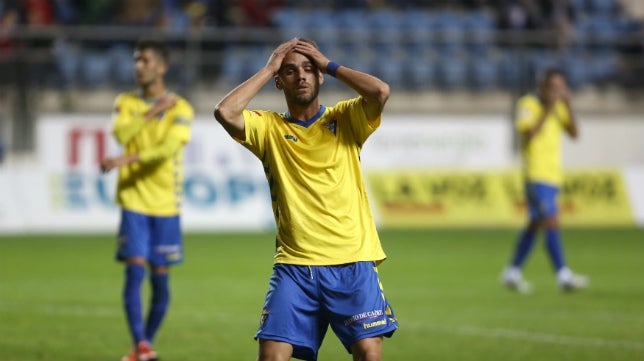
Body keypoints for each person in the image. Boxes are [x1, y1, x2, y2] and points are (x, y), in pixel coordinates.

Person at [213, 38, 398, 361]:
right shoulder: (268, 128)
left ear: (320, 76)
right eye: (290, 71)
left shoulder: (346, 119)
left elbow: (380, 91)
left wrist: (328, 63)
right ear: (279, 81)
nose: (301, 76)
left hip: (352, 262)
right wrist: (270, 65)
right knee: (271, 357)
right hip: (296, 266)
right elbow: (225, 112)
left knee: (369, 353)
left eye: (309, 69)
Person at [100, 39, 194, 361]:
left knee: (161, 284)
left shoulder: (181, 108)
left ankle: (143, 346)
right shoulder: (125, 102)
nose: (138, 66)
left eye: (145, 60)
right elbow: (121, 135)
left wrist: (123, 161)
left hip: (166, 202)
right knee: (135, 271)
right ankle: (141, 344)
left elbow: (166, 151)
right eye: (136, 60)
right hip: (134, 201)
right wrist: (153, 112)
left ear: (162, 67)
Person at [501, 68, 588, 293]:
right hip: (535, 175)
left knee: (536, 224)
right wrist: (549, 107)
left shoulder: (560, 107)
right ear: (543, 86)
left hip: (553, 176)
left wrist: (567, 105)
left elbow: (574, 134)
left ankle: (512, 271)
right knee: (551, 221)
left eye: (562, 87)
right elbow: (529, 133)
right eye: (554, 87)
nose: (558, 92)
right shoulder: (528, 104)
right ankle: (563, 274)